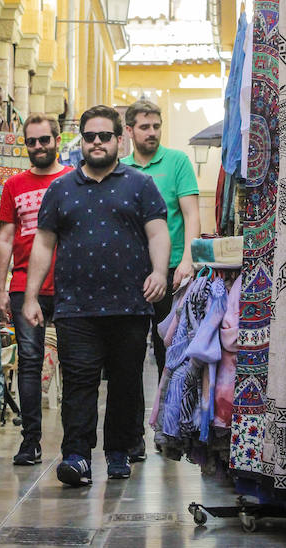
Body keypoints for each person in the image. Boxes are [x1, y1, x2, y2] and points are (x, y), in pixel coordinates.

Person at [22, 105, 170, 487]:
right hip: (76, 308)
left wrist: (158, 272)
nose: (98, 142)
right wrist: (31, 297)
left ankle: (118, 452)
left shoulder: (141, 185)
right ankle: (76, 456)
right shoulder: (61, 188)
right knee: (78, 383)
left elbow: (157, 233)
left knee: (124, 382)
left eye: (105, 136)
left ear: (119, 140)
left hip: (130, 305)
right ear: (81, 141)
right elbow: (43, 243)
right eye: (90, 137)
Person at [123, 98, 201, 460]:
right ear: (129, 131)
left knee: (168, 351)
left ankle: (168, 429)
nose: (152, 132)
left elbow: (190, 214)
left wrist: (188, 260)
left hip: (170, 272)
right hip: (129, 275)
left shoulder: (178, 162)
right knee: (129, 355)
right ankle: (133, 435)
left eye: (156, 126)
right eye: (144, 126)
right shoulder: (119, 167)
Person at [0, 113, 71, 465]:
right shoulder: (14, 185)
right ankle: (30, 442)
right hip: (25, 287)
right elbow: (5, 239)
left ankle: (75, 444)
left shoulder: (74, 180)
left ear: (57, 139)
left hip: (70, 287)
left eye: (44, 140)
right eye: (32, 141)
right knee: (29, 363)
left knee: (75, 365)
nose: (38, 147)